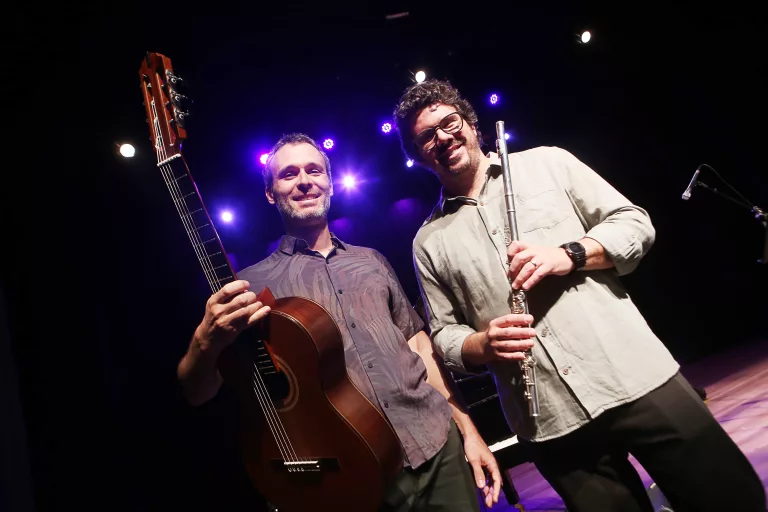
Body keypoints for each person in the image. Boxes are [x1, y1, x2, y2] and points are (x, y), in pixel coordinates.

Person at [393, 79, 766, 512]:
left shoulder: (548, 164)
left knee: (732, 498)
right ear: (418, 155)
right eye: (426, 136)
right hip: (550, 420)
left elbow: (633, 223)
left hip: (632, 374)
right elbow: (443, 335)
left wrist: (569, 254)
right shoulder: (428, 242)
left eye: (449, 123)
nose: (442, 138)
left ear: (471, 124)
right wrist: (482, 343)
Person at [176, 132, 502, 511]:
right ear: (270, 193)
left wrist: (468, 429)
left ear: (329, 183)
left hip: (436, 447)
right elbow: (196, 391)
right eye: (289, 174)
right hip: (353, 474)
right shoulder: (248, 287)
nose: (304, 181)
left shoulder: (372, 260)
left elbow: (418, 346)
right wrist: (205, 340)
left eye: (314, 170)